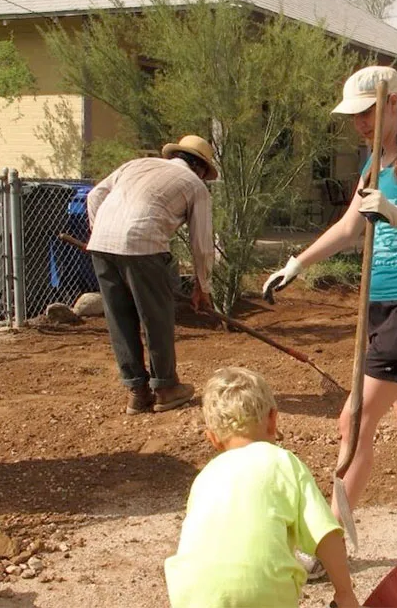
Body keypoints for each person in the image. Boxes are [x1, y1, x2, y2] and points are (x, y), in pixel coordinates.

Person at [262, 66, 397, 547]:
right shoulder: (375, 164)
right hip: (383, 301)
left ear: (394, 105)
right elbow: (349, 228)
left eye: (367, 112)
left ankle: (324, 543)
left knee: (353, 420)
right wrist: (296, 263)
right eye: (353, 116)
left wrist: (394, 213)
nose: (358, 124)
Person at [164, 368, 359, 608]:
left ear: (212, 438)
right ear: (273, 419)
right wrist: (345, 594)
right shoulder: (283, 462)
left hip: (190, 597)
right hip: (261, 597)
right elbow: (326, 536)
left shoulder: (204, 477)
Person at [87, 135, 216, 415]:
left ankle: (137, 392)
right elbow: (203, 244)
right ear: (202, 169)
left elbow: (94, 195)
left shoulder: (136, 165)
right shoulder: (195, 185)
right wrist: (202, 286)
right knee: (155, 318)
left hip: (101, 245)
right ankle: (166, 389)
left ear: (176, 156)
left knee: (119, 318)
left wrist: (103, 233)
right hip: (143, 245)